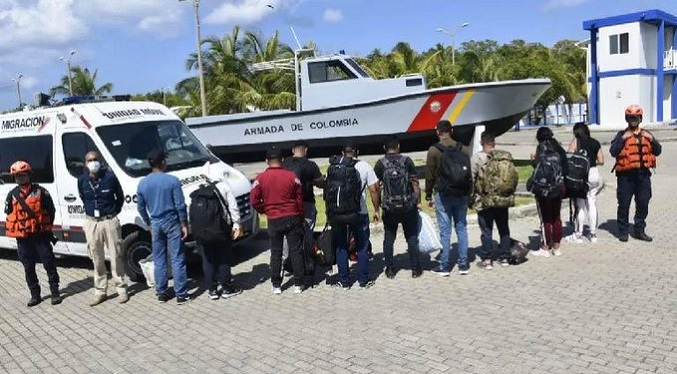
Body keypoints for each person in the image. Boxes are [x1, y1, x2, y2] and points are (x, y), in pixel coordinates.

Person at [137, 150, 192, 305]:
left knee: (159, 258)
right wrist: (184, 223)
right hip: (172, 222)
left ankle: (161, 292)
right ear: (162, 163)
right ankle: (181, 294)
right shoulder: (172, 181)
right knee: (177, 258)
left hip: (155, 223)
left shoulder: (143, 183)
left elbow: (140, 207)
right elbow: (180, 205)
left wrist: (148, 223)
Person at [4, 161, 62, 307]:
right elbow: (9, 213)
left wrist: (45, 227)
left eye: (23, 176)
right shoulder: (12, 195)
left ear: (29, 175)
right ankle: (35, 295)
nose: (20, 179)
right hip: (23, 239)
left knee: (49, 263)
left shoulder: (41, 192)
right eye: (17, 176)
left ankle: (55, 292)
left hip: (40, 236)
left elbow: (51, 211)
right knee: (28, 267)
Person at [250, 147, 307, 294]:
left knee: (276, 252)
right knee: (296, 251)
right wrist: (300, 216)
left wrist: (265, 209)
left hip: (274, 218)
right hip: (292, 216)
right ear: (282, 160)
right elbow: (299, 200)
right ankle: (298, 283)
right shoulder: (292, 176)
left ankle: (276, 284)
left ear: (266, 161)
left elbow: (254, 200)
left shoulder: (260, 179)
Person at [78, 151, 129, 306]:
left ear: (101, 161)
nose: (93, 162)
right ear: (86, 163)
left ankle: (121, 289)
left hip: (109, 220)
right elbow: (82, 197)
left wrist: (112, 214)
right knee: (96, 258)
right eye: (90, 160)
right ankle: (100, 292)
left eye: (95, 159)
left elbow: (119, 197)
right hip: (92, 223)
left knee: (116, 256)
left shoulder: (110, 177)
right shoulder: (82, 180)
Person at [326, 143, 380, 289]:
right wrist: (376, 209)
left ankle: (344, 281)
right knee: (362, 246)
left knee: (341, 246)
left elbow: (328, 191)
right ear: (357, 151)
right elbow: (374, 189)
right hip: (359, 212)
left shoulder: (334, 167)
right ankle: (363, 280)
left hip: (338, 214)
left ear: (342, 152)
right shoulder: (365, 166)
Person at [425, 120, 472, 276]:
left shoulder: (434, 151)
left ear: (437, 132)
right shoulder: (464, 149)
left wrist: (428, 193)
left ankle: (444, 266)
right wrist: (469, 193)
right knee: (462, 228)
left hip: (443, 194)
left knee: (445, 231)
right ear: (451, 130)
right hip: (461, 193)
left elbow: (430, 175)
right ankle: (463, 264)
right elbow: (469, 175)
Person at [610, 104, 661, 242]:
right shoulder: (621, 135)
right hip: (625, 177)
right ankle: (623, 231)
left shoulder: (647, 134)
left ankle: (639, 230)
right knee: (624, 204)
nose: (633, 120)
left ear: (640, 118)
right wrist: (622, 139)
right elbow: (613, 151)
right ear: (627, 118)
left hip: (643, 175)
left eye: (636, 117)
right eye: (631, 117)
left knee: (643, 202)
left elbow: (658, 151)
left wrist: (651, 139)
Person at [373, 137, 422, 279]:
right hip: (408, 207)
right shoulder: (407, 161)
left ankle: (390, 269)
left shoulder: (380, 164)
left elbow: (375, 187)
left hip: (389, 208)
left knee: (389, 238)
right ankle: (415, 269)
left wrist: (377, 207)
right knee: (412, 237)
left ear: (384, 148)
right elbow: (415, 183)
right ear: (399, 146)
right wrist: (416, 201)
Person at [471, 132, 517, 269]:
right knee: (504, 228)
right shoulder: (504, 157)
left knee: (486, 230)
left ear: (481, 142)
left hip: (485, 200)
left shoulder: (477, 158)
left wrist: (471, 198)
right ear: (494, 142)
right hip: (503, 200)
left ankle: (487, 259)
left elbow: (472, 179)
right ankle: (504, 258)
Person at [194, 181, 243, 300]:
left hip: (203, 232)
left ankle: (212, 290)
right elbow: (233, 206)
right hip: (221, 229)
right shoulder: (224, 186)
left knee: (208, 260)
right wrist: (236, 223)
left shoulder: (197, 190)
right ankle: (227, 288)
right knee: (223, 259)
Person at [282, 141, 325, 272]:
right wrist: (321, 180)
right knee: (307, 233)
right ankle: (307, 260)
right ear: (305, 150)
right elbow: (320, 183)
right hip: (307, 202)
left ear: (293, 150)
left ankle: (286, 261)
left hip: (288, 204)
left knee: (287, 234)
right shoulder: (310, 165)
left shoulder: (285, 164)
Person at [530, 127, 567, 257]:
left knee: (545, 218)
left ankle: (545, 248)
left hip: (544, 189)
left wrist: (533, 161)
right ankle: (557, 247)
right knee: (556, 217)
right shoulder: (558, 148)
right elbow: (565, 167)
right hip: (558, 187)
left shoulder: (540, 149)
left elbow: (539, 169)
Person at [565, 123, 604, 244]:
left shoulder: (575, 141)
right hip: (594, 173)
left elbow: (569, 157)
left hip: (581, 175)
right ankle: (593, 234)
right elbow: (601, 161)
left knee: (580, 204)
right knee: (591, 202)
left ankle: (578, 234)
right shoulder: (595, 142)